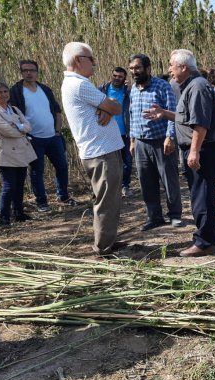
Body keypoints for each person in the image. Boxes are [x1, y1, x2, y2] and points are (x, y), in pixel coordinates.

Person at [143, 49, 215, 257]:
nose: (169, 69)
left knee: (201, 196)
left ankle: (203, 242)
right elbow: (186, 117)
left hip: (202, 149)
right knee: (205, 193)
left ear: (183, 67)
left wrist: (194, 151)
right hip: (201, 147)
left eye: (171, 65)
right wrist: (164, 113)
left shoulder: (197, 87)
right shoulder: (192, 86)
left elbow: (200, 124)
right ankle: (211, 236)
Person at [60, 42, 125, 257]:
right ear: (78, 60)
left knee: (110, 198)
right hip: (101, 152)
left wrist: (106, 108)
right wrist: (109, 108)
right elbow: (115, 107)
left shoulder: (76, 84)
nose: (94, 63)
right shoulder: (79, 84)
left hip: (101, 150)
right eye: (91, 59)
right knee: (106, 201)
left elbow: (111, 104)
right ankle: (103, 248)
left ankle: (108, 240)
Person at [10, 59, 77, 212]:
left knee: (62, 166)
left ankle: (63, 196)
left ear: (37, 72)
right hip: (33, 139)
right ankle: (42, 202)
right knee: (37, 171)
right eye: (25, 70)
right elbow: (13, 115)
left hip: (53, 137)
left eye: (32, 70)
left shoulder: (45, 89)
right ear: (21, 72)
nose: (29, 73)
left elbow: (57, 110)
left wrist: (58, 132)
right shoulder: (16, 91)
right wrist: (24, 135)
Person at [129, 53, 183, 231]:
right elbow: (131, 116)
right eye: (132, 69)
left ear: (147, 68)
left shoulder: (162, 86)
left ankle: (175, 215)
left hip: (161, 141)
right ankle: (154, 216)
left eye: (137, 68)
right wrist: (132, 140)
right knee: (146, 182)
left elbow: (172, 112)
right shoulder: (133, 90)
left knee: (169, 179)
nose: (134, 72)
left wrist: (170, 137)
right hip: (141, 143)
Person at [0, 82, 38, 226]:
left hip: (21, 151)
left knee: (20, 184)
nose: (3, 94)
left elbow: (28, 126)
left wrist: (19, 127)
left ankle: (18, 213)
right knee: (9, 186)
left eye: (5, 91)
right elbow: (8, 131)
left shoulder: (14, 109)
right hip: (5, 153)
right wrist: (20, 128)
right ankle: (3, 217)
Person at [98, 67, 133, 197]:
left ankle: (125, 185)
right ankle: (111, 187)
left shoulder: (128, 91)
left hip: (125, 132)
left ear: (124, 78)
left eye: (120, 76)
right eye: (115, 75)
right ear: (111, 75)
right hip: (107, 132)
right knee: (109, 162)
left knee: (127, 161)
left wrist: (129, 89)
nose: (117, 78)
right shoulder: (102, 90)